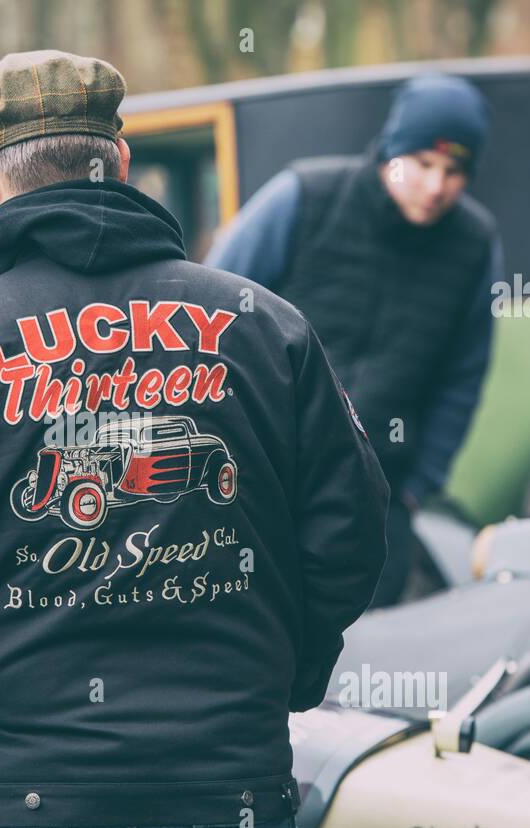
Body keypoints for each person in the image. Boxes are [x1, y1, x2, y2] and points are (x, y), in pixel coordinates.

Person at [0, 50, 388, 828]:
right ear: (120, 163)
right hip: (229, 791)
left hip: (15, 801)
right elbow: (352, 536)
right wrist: (277, 684)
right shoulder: (266, 329)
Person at [207, 74, 504, 608]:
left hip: (379, 495)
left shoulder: (475, 246)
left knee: (367, 657)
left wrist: (418, 486)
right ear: (391, 151)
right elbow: (211, 317)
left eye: (455, 171)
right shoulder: (302, 197)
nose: (436, 186)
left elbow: (464, 376)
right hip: (266, 478)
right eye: (423, 163)